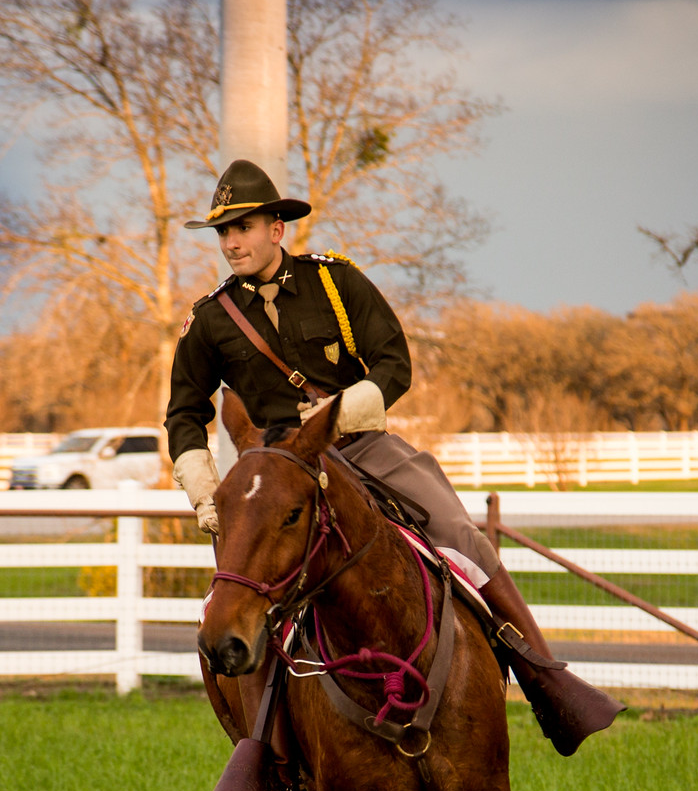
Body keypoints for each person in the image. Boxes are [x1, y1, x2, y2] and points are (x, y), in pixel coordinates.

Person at [168, 159, 623, 755]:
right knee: (233, 600)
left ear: (277, 229)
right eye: (223, 232)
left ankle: (546, 683)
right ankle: (261, 759)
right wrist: (205, 491)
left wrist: (337, 414)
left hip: (361, 444)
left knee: (461, 534)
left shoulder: (336, 282)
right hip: (277, 470)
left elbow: (393, 364)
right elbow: (184, 414)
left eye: (243, 227)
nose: (230, 242)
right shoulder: (209, 320)